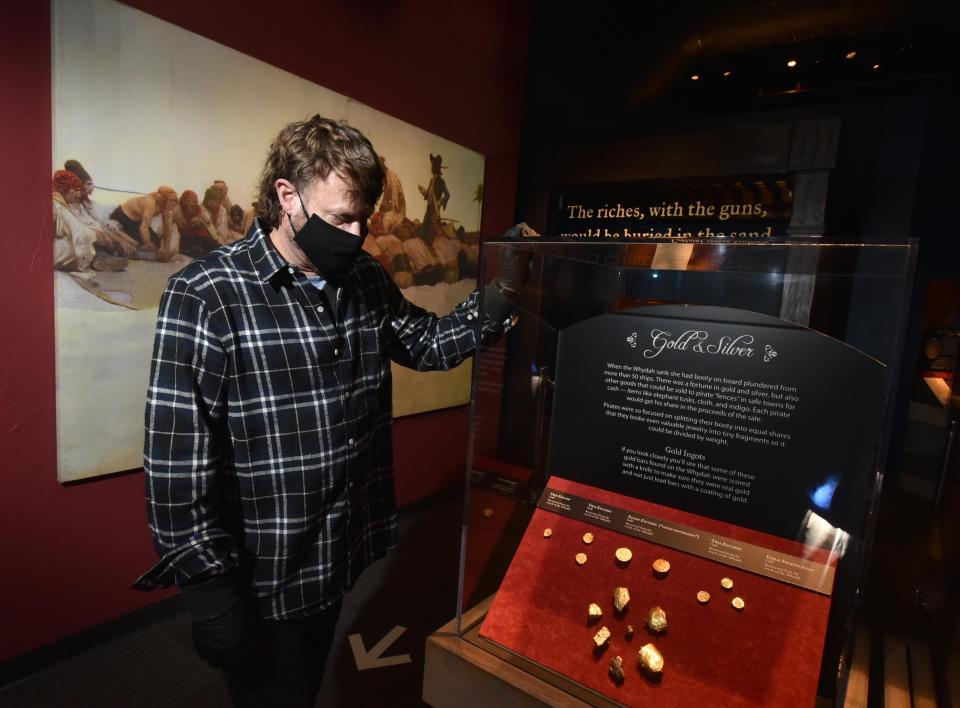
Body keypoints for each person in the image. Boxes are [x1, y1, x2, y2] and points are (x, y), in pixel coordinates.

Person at [133, 114, 533, 707]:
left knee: (309, 683)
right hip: (262, 574)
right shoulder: (207, 296)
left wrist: (497, 299)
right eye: (341, 216)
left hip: (337, 551)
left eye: (364, 217)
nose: (358, 232)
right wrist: (207, 592)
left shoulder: (364, 275)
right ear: (287, 195)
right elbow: (174, 462)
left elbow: (425, 344)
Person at [110, 186, 179, 261]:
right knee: (139, 244)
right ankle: (126, 248)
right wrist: (148, 244)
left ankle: (135, 250)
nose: (174, 203)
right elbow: (143, 227)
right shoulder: (150, 202)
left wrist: (166, 249)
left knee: (156, 242)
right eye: (171, 200)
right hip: (121, 219)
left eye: (176, 200)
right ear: (162, 199)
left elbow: (167, 229)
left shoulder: (167, 208)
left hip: (135, 224)